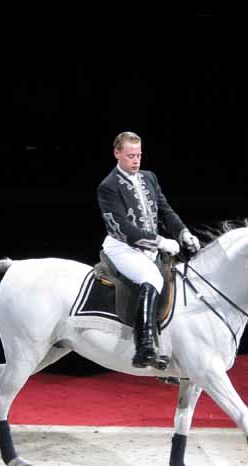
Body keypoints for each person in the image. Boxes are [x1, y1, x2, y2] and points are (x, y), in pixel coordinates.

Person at [97, 131, 201, 369]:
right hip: (121, 247)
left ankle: (171, 348)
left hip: (148, 250)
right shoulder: (108, 186)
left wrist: (184, 233)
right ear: (117, 153)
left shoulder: (149, 178)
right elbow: (123, 229)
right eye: (131, 155)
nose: (136, 160)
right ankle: (144, 347)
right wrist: (160, 242)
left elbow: (166, 211)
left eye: (139, 155)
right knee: (152, 277)